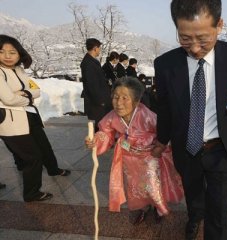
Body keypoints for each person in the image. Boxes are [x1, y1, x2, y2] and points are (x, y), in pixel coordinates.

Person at [152, 1, 227, 239]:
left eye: (203, 39)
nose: (194, 48)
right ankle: (195, 217)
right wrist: (162, 139)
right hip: (186, 147)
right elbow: (164, 106)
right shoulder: (165, 65)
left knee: (220, 211)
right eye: (185, 38)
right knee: (193, 193)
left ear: (219, 25)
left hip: (221, 147)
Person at [85, 77, 183, 225]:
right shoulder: (112, 116)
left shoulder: (146, 115)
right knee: (134, 185)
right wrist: (96, 140)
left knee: (152, 183)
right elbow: (106, 133)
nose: (119, 103)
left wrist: (160, 146)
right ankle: (143, 207)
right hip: (128, 157)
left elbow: (164, 131)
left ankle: (158, 207)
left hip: (150, 156)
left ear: (136, 100)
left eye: (125, 98)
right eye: (116, 97)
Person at [0, 34, 71, 202]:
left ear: (19, 54)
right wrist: (28, 97)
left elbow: (36, 89)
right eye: (2, 52)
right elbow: (8, 99)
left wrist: (23, 94)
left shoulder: (19, 70)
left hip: (29, 115)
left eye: (12, 52)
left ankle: (53, 169)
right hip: (11, 121)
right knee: (32, 157)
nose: (7, 56)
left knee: (44, 147)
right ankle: (31, 193)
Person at [80, 38, 112, 132]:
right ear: (95, 48)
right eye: (99, 48)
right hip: (97, 102)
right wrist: (100, 101)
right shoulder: (88, 63)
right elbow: (91, 85)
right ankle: (98, 145)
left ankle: (101, 144)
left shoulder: (92, 61)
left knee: (103, 125)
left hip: (101, 100)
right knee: (99, 126)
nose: (100, 50)